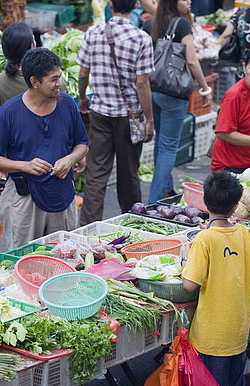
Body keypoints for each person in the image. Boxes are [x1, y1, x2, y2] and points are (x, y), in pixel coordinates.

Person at [0, 48, 89, 248]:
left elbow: (82, 144)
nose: (59, 83)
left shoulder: (67, 104)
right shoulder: (9, 112)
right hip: (24, 200)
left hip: (62, 195)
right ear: (34, 82)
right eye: (53, 79)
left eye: (59, 77)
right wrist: (25, 166)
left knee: (64, 256)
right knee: (25, 258)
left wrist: (70, 159)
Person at [182, 171, 250, 386]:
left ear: (204, 201)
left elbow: (189, 285)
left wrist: (184, 265)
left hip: (211, 338)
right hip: (237, 335)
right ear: (236, 206)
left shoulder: (204, 239)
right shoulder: (243, 233)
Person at [77, 0, 154, 225]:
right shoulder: (141, 38)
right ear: (137, 5)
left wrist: (83, 98)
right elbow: (142, 84)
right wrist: (149, 119)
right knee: (129, 174)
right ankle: (132, 225)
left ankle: (88, 229)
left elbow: (83, 73)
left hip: (100, 113)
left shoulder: (93, 32)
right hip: (129, 118)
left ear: (110, 4)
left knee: (96, 174)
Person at [142, 0, 212, 204]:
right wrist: (204, 86)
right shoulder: (182, 25)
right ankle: (153, 203)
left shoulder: (150, 24)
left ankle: (165, 190)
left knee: (161, 143)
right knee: (168, 146)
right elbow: (191, 60)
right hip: (174, 93)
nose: (188, 1)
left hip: (153, 90)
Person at [0, 22, 68, 193]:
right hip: (53, 162)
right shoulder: (52, 82)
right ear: (32, 46)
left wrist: (0, 170)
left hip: (17, 164)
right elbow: (64, 123)